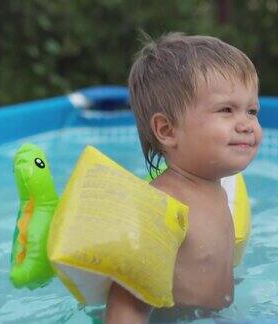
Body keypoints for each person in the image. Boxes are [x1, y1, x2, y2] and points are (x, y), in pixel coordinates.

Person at [105, 33, 262, 323]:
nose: (247, 124)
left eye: (252, 111)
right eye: (226, 110)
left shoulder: (215, 190)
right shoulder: (163, 204)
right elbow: (126, 301)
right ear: (167, 130)